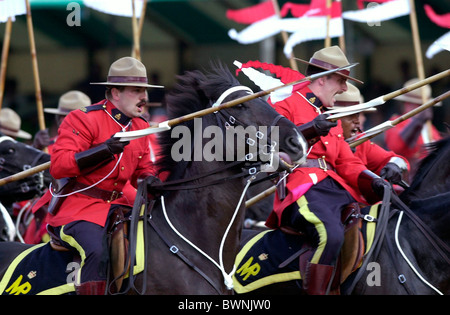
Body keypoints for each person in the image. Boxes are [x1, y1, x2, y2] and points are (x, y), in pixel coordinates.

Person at [265, 46, 390, 295]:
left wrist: (374, 180)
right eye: (341, 81)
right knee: (330, 234)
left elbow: (346, 162)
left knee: (368, 224)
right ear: (321, 79)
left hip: (332, 190)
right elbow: (272, 145)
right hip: (300, 188)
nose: (344, 88)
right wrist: (311, 128)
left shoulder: (330, 116)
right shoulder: (284, 103)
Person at [46, 56, 163, 295]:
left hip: (121, 204)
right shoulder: (83, 118)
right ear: (115, 93)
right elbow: (58, 166)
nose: (145, 97)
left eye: (145, 90)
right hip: (80, 207)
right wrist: (104, 150)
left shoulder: (140, 126)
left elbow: (144, 167)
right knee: (97, 251)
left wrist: (150, 179)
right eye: (137, 90)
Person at [334, 83, 409, 188]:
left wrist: (394, 165)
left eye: (358, 115)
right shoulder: (318, 141)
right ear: (332, 118)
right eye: (350, 116)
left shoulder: (360, 142)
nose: (357, 121)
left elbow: (394, 159)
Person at [384, 78, 442, 181]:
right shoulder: (395, 122)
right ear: (407, 104)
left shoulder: (431, 128)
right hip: (405, 181)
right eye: (419, 105)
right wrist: (418, 121)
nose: (426, 109)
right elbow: (398, 146)